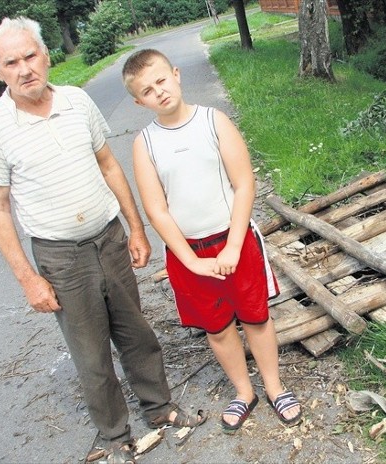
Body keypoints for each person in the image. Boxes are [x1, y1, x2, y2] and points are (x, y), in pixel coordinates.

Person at [0, 18, 206, 463]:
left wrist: (136, 229)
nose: (24, 69)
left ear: (45, 55)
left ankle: (160, 408)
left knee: (136, 332)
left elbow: (109, 166)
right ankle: (115, 433)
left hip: (110, 238)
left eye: (30, 56)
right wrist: (28, 280)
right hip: (60, 256)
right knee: (90, 351)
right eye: (11, 62)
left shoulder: (77, 101)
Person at [122, 49, 303, 433]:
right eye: (148, 91)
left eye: (162, 81)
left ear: (176, 74)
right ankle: (243, 392)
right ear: (139, 101)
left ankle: (273, 386)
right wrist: (190, 260)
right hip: (190, 254)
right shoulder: (145, 144)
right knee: (217, 328)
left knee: (256, 316)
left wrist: (235, 245)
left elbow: (243, 183)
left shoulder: (212, 121)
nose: (159, 92)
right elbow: (158, 210)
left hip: (233, 238)